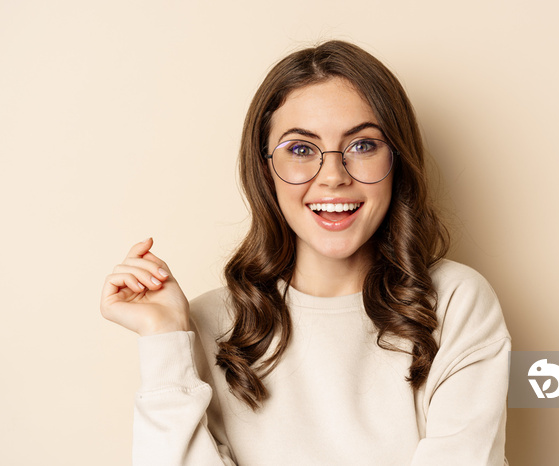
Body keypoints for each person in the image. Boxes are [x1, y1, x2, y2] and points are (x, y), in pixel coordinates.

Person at [100, 40, 510, 466]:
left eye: (363, 145)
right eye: (300, 149)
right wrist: (166, 340)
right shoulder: (206, 324)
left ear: (398, 160)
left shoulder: (456, 302)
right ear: (264, 169)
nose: (333, 177)